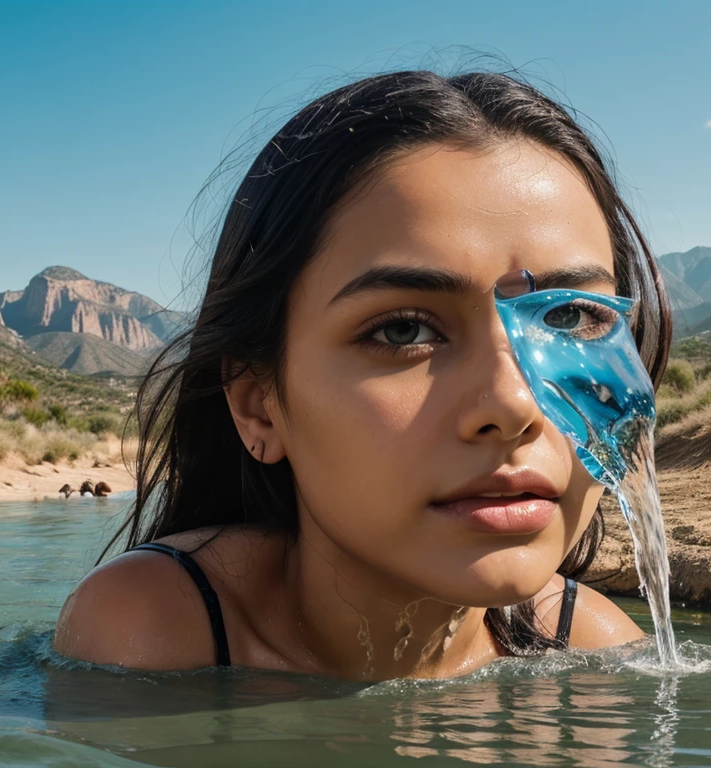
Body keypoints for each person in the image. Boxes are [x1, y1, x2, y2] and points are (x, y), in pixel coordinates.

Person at [53, 69, 672, 680]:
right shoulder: (154, 631)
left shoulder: (595, 650)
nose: (514, 405)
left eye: (570, 317)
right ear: (258, 406)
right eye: (403, 330)